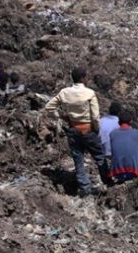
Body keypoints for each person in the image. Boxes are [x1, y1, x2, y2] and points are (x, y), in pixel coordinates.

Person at [44, 67, 110, 196]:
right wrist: (96, 129)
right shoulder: (89, 93)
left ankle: (84, 189)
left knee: (78, 160)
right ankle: (107, 182)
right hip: (87, 129)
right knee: (99, 157)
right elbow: (95, 117)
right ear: (82, 78)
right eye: (86, 77)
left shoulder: (64, 92)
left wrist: (61, 116)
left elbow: (49, 107)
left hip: (73, 129)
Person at [108, 111, 138, 183]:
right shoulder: (136, 132)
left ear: (119, 122)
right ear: (130, 122)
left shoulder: (112, 133)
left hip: (117, 171)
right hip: (134, 171)